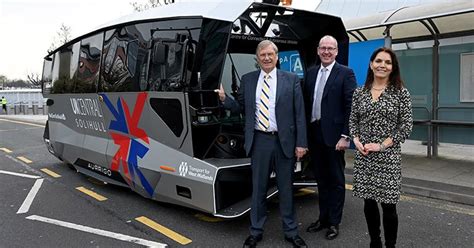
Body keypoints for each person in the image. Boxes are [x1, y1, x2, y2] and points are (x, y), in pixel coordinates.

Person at [217, 40, 308, 248]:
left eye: (270, 54)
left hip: (284, 141)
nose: (266, 58)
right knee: (258, 189)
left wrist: (301, 143)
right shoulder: (248, 80)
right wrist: (224, 98)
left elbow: (299, 114)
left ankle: (291, 231)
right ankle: (255, 231)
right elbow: (240, 108)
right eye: (262, 55)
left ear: (276, 57)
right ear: (257, 59)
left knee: (286, 189)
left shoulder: (291, 79)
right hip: (260, 141)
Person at [349, 47, 413, 248]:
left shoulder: (401, 93)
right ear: (371, 64)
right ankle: (375, 242)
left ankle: (390, 245)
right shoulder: (360, 92)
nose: (382, 65)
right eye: (378, 61)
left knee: (388, 205)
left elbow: (406, 126)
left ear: (393, 67)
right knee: (368, 202)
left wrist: (382, 145)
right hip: (364, 155)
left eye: (387, 62)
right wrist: (357, 140)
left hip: (388, 157)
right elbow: (353, 121)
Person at [304, 35, 356, 240]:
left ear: (336, 51)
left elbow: (351, 107)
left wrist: (345, 136)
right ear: (318, 50)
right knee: (321, 180)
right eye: (323, 48)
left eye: (330, 48)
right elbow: (306, 104)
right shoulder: (310, 73)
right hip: (314, 134)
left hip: (335, 138)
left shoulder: (346, 73)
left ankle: (334, 223)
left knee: (335, 181)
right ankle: (323, 218)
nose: (326, 51)